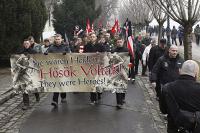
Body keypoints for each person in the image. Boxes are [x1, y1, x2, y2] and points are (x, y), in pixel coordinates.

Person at [160, 60, 200, 133]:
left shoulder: (167, 88)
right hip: (194, 128)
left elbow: (163, 110)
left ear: (180, 71)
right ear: (196, 73)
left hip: (174, 128)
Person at [47, 34, 71, 108]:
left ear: (61, 39)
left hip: (63, 69)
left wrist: (66, 54)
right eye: (56, 39)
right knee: (57, 84)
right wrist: (45, 54)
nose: (57, 40)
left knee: (62, 83)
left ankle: (63, 96)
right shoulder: (51, 47)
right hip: (55, 69)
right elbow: (46, 55)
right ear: (55, 40)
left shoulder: (65, 47)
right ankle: (55, 101)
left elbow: (71, 55)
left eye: (58, 39)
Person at [15, 39, 40, 110]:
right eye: (25, 43)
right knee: (24, 88)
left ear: (30, 44)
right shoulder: (20, 52)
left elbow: (38, 61)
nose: (26, 45)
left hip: (32, 72)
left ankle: (37, 95)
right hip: (24, 73)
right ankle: (26, 104)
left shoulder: (34, 52)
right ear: (23, 44)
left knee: (33, 86)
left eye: (27, 43)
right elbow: (16, 61)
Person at [84, 32, 105, 105]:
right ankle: (92, 99)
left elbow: (104, 55)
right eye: (91, 37)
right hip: (90, 66)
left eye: (93, 37)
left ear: (96, 38)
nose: (92, 38)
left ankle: (99, 95)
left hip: (98, 66)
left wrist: (99, 54)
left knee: (98, 83)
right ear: (89, 38)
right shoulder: (86, 46)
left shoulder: (100, 45)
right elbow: (84, 55)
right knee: (92, 83)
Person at [114, 37, 128, 109]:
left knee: (123, 85)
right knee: (118, 86)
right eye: (118, 42)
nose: (119, 43)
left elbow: (130, 59)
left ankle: (122, 98)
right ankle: (118, 103)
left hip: (124, 70)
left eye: (120, 42)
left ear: (123, 42)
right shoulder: (114, 50)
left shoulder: (126, 50)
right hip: (116, 70)